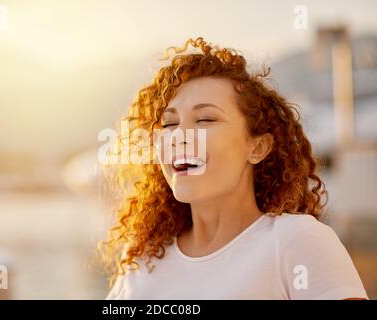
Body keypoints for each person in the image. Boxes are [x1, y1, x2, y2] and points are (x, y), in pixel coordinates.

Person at [98, 37, 368, 300]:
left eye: (205, 119)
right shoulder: (143, 256)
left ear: (257, 147)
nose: (179, 135)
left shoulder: (296, 241)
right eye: (169, 124)